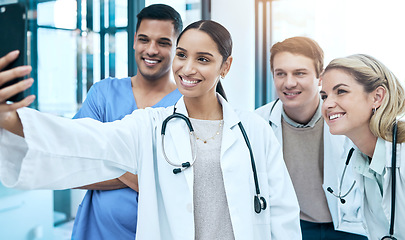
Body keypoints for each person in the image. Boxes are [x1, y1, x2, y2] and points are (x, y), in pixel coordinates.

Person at [0, 20, 302, 239]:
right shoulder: (151, 125)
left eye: (204, 59)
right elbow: (83, 140)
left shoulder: (255, 131)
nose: (187, 68)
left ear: (225, 66)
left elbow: (282, 212)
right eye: (182, 55)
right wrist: (9, 119)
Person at [70, 4, 182, 239]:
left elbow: (183, 185)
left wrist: (106, 158)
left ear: (177, 48)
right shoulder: (103, 94)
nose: (151, 50)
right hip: (98, 232)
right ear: (134, 41)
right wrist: (141, 174)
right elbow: (72, 167)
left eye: (163, 42)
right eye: (144, 39)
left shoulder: (186, 105)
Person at [255, 37, 368, 239]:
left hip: (349, 227)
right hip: (295, 227)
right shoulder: (257, 123)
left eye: (300, 73)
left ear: (320, 77)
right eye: (281, 74)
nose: (289, 83)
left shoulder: (346, 117)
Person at [320, 54, 405, 240]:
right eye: (324, 96)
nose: (327, 104)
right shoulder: (361, 159)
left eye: (341, 91)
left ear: (377, 97)